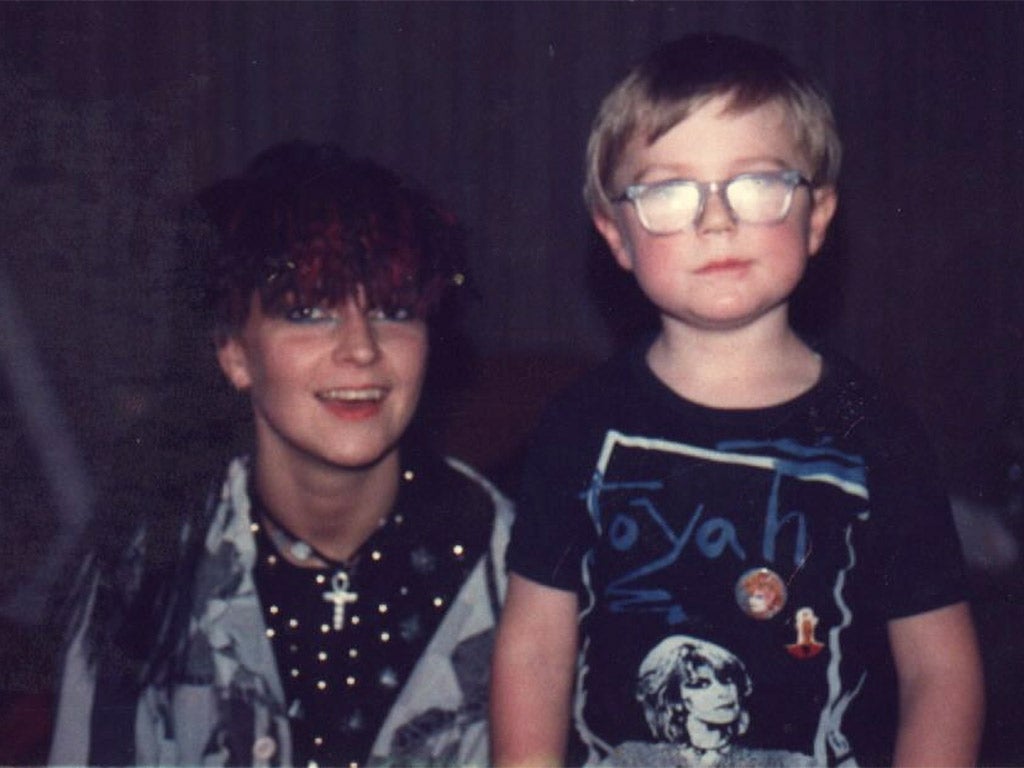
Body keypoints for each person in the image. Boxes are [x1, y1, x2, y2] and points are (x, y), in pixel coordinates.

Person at [491, 32, 983, 767]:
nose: (714, 220)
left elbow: (940, 673)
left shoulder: (868, 426)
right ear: (616, 234)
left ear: (815, 217)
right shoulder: (582, 424)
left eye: (753, 184)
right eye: (667, 191)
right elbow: (533, 652)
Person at [48, 141, 512, 768]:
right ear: (236, 354)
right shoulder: (146, 564)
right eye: (311, 313)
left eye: (394, 312)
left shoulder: (514, 561)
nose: (361, 349)